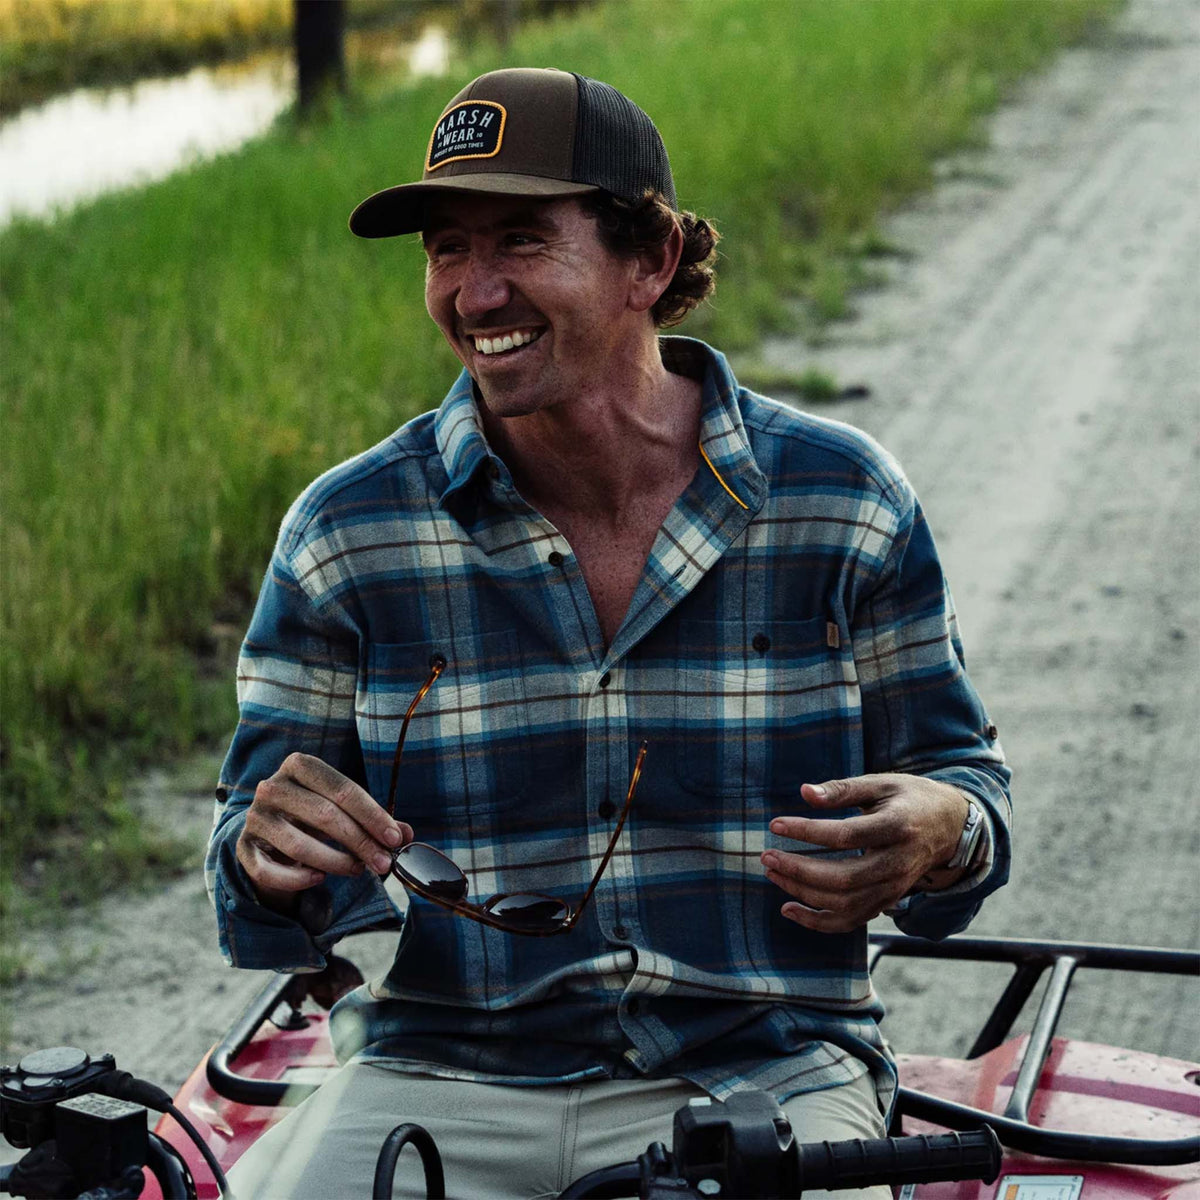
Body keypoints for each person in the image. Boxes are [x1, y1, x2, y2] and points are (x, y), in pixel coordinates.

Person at [207, 68, 1011, 1200]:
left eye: (522, 242)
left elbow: (963, 788)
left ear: (653, 261)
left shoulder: (843, 498)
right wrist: (263, 853)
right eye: (446, 249)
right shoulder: (348, 531)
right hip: (438, 1073)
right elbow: (252, 855)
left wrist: (950, 827)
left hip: (763, 1076)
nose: (475, 293)